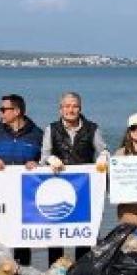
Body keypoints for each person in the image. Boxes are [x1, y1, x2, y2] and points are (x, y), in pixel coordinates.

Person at [40, 92, 108, 265]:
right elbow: (44, 157)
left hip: (84, 189)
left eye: (74, 106)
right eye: (67, 106)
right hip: (57, 189)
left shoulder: (92, 128)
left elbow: (103, 150)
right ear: (60, 109)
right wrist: (49, 160)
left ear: (80, 108)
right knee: (56, 236)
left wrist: (104, 158)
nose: (71, 110)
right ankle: (54, 274)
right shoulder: (51, 129)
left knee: (83, 235)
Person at [0, 94, 44, 266]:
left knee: (23, 237)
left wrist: (37, 164)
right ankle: (0, 272)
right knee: (0, 235)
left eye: (3, 110)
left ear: (16, 111)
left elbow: (46, 157)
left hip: (26, 195)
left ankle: (23, 272)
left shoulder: (37, 134)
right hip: (0, 194)